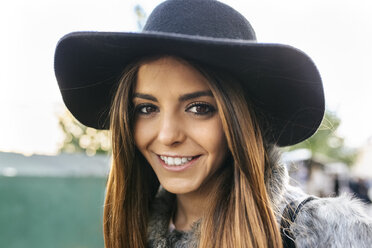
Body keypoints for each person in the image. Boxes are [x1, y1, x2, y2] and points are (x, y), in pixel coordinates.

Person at [54, 0, 372, 247]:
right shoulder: (133, 230)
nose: (167, 135)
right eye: (147, 108)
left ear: (242, 118)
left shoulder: (325, 233)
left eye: (199, 107)